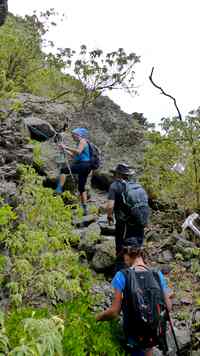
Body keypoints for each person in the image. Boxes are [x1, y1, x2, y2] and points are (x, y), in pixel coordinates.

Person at [96, 243, 172, 356]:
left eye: (124, 256)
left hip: (133, 335)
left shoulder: (122, 275)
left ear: (128, 255)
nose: (124, 260)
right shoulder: (157, 274)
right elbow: (168, 307)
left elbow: (114, 312)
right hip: (152, 334)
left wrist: (97, 318)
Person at [107, 163, 148, 262]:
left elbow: (110, 205)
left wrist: (109, 216)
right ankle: (138, 266)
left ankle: (121, 268)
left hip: (124, 223)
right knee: (138, 244)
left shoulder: (114, 186)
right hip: (139, 219)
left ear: (117, 174)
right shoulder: (135, 185)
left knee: (122, 246)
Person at [55, 127, 92, 215]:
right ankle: (85, 209)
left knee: (63, 170)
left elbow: (78, 152)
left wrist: (66, 146)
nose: (72, 137)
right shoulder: (80, 143)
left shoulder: (83, 141)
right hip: (86, 166)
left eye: (73, 135)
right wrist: (65, 149)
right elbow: (74, 156)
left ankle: (58, 190)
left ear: (78, 134)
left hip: (84, 165)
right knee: (81, 188)